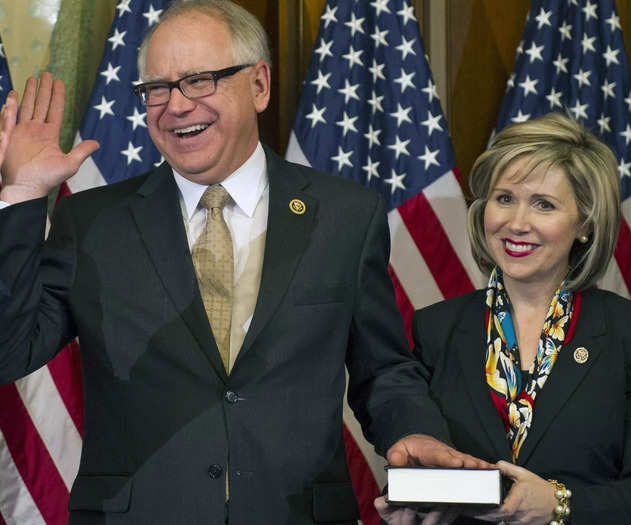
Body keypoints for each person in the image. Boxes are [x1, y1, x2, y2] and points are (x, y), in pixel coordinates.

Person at [0, 1, 487, 523]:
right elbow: (10, 351)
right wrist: (21, 196)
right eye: (156, 89)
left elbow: (383, 368)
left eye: (200, 80)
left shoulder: (345, 216)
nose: (176, 106)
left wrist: (412, 432)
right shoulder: (93, 222)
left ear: (259, 85)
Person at [377, 112, 631, 524]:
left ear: (585, 224)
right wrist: (411, 503)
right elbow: (433, 460)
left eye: (543, 204)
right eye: (505, 199)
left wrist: (560, 505)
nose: (516, 223)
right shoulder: (436, 327)